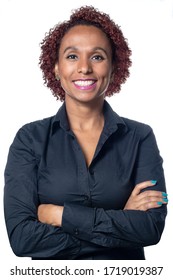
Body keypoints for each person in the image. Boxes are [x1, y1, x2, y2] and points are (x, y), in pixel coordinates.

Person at [4, 5, 168, 260]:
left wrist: (60, 215)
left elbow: (151, 229)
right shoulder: (29, 139)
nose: (84, 68)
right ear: (56, 68)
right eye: (71, 56)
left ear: (113, 67)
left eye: (97, 57)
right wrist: (120, 226)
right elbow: (22, 239)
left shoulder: (140, 137)